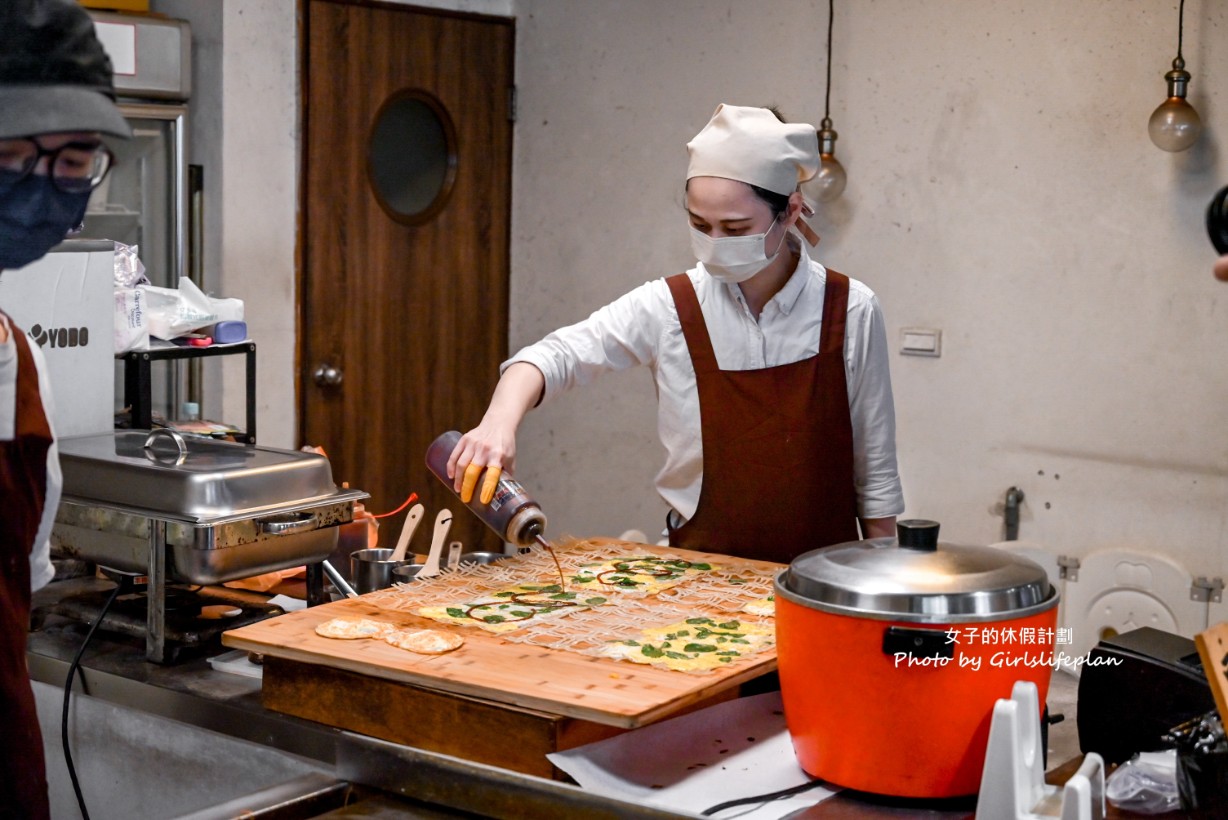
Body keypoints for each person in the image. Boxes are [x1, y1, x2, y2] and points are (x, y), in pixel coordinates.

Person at [447, 104, 903, 564]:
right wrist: (497, 424)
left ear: (791, 212)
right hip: (697, 578)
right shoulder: (670, 306)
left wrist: (886, 587)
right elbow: (555, 355)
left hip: (821, 583)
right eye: (700, 225)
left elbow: (876, 476)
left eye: (736, 228)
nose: (715, 242)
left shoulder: (850, 308)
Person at [0, 1, 130, 816]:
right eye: (11, 154)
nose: (45, 186)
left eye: (76, 157)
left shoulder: (19, 359)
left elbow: (27, 579)